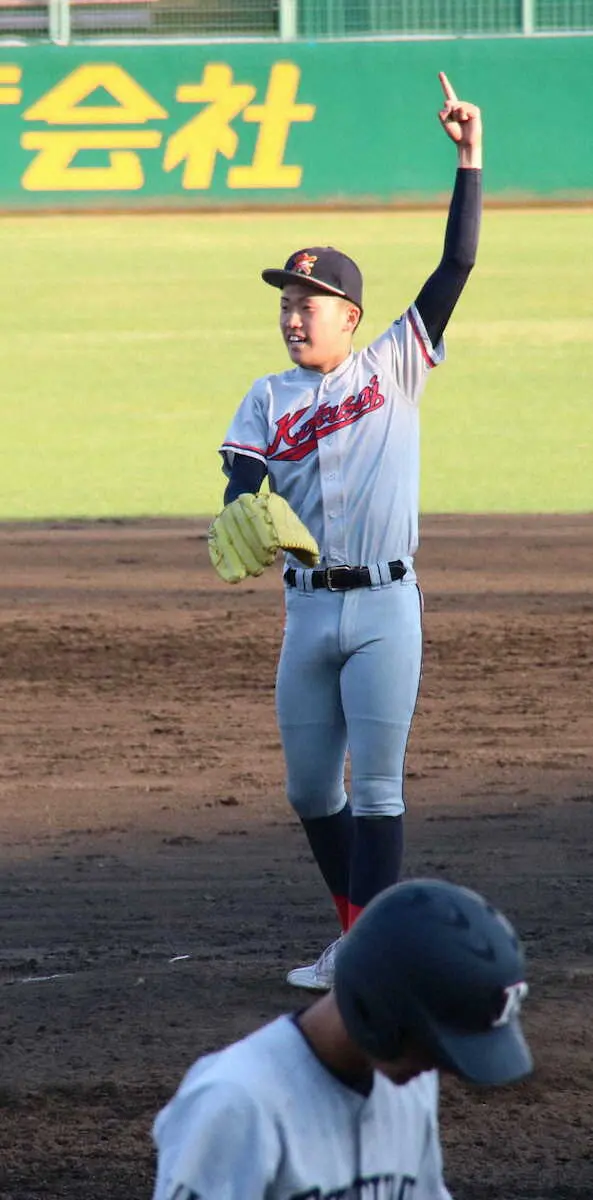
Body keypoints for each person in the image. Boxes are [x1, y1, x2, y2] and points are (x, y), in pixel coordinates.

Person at [208, 73, 483, 990]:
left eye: (309, 303)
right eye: (286, 303)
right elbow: (242, 476)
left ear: (350, 318)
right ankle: (358, 938)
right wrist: (241, 502)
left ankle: (367, 960)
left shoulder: (395, 362)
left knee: (376, 788)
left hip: (384, 610)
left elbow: (455, 266)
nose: (293, 315)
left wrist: (468, 158)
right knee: (307, 790)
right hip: (307, 614)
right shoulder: (265, 395)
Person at [152, 878, 532, 1200]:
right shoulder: (235, 1104)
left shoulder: (409, 1085)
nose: (440, 1067)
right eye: (434, 1048)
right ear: (380, 1009)